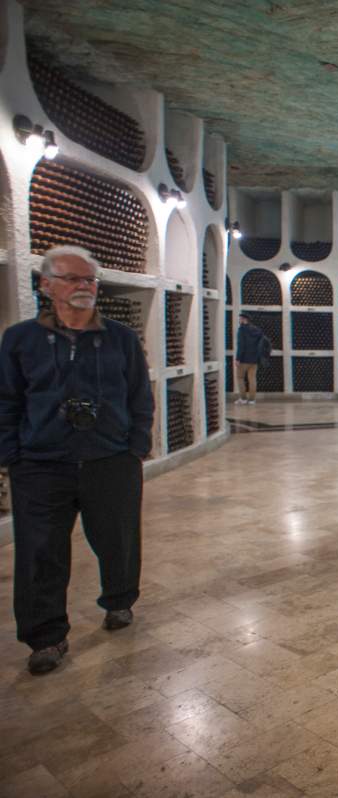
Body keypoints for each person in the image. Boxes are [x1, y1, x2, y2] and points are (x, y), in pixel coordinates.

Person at [0, 245, 154, 674]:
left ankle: (119, 600)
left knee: (117, 539)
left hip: (111, 459)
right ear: (47, 285)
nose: (85, 286)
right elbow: (6, 401)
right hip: (41, 463)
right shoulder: (20, 340)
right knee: (40, 553)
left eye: (90, 279)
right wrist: (13, 455)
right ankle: (45, 637)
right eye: (73, 278)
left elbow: (140, 396)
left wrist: (135, 445)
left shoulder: (120, 338)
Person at [234, 313, 270, 405]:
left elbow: (241, 345)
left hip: (244, 359)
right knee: (252, 379)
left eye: (240, 318)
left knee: (240, 378)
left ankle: (243, 399)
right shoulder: (257, 330)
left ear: (244, 319)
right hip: (255, 359)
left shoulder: (242, 330)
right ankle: (252, 400)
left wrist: (238, 358)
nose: (239, 320)